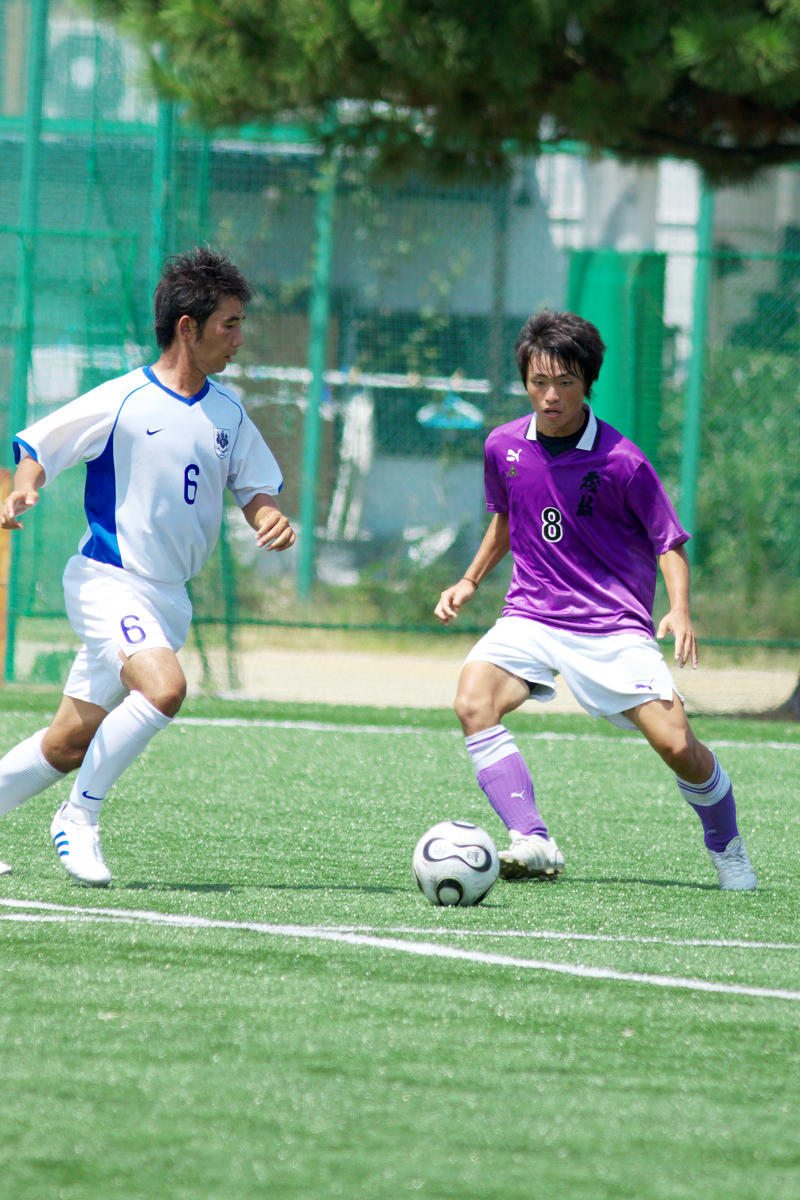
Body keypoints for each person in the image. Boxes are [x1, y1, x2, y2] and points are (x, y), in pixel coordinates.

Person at [0, 245, 295, 885]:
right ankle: (79, 818)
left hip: (168, 599)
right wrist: (24, 486)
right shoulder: (124, 398)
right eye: (230, 323)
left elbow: (256, 490)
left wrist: (268, 518)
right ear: (187, 327)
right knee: (163, 689)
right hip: (108, 581)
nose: (240, 338)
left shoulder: (228, 413)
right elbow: (40, 444)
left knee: (66, 744)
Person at [434, 309, 756, 891]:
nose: (550, 395)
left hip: (610, 626)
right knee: (472, 701)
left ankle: (727, 846)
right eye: (538, 382)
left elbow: (669, 542)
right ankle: (532, 838)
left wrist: (679, 609)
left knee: (678, 745)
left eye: (564, 382)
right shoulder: (502, 446)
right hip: (530, 613)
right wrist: (470, 581)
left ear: (587, 382)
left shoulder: (623, 461)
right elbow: (507, 519)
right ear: (525, 380)